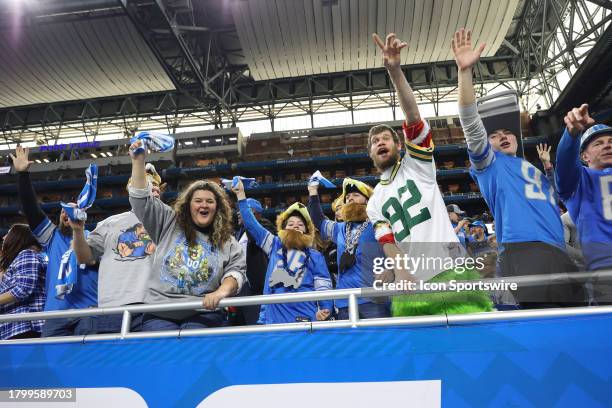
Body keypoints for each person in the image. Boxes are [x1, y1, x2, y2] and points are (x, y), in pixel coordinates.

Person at [453, 28, 583, 307]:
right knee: (547, 327)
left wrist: (549, 167)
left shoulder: (531, 168)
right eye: (495, 134)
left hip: (558, 249)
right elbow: (471, 125)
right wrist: (465, 73)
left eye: (508, 132)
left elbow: (560, 194)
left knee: (577, 321)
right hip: (524, 248)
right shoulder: (491, 164)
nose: (503, 136)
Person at [366, 32, 493, 316]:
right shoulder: (374, 201)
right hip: (412, 285)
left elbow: (413, 119)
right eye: (375, 142)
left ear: (400, 145)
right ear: (371, 155)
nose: (380, 142)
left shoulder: (417, 165)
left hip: (451, 271)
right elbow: (389, 244)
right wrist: (400, 272)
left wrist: (395, 71)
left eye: (386, 138)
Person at [128, 140, 245, 331]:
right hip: (159, 311)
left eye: (209, 201)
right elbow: (140, 198)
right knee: (161, 353)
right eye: (198, 200)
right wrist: (138, 161)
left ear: (218, 208)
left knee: (193, 351)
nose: (203, 205)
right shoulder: (168, 222)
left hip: (204, 312)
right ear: (188, 205)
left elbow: (236, 273)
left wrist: (221, 292)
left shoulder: (228, 242)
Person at [10, 146, 98, 337]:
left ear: (82, 216)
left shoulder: (95, 237)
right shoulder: (52, 238)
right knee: (51, 362)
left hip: (89, 312)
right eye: (63, 211)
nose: (66, 214)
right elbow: (32, 210)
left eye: (72, 210)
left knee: (86, 363)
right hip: (55, 315)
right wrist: (23, 175)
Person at [70, 164, 164, 333]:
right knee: (115, 358)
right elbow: (85, 257)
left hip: (157, 305)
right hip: (114, 305)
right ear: (132, 189)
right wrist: (77, 230)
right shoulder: (109, 223)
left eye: (156, 185)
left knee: (153, 358)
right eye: (148, 183)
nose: (154, 188)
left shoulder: (171, 220)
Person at [233, 178, 333, 324]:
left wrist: (325, 310)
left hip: (306, 314)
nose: (295, 226)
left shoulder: (315, 256)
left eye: (300, 224)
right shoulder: (274, 244)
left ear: (307, 230)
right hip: (274, 314)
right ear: (283, 228)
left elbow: (323, 287)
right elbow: (251, 224)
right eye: (290, 224)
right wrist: (241, 195)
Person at [308, 177, 389, 320]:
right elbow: (318, 219)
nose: (350, 198)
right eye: (348, 197)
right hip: (345, 300)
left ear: (368, 201)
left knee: (379, 340)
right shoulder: (339, 229)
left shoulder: (379, 224)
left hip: (373, 298)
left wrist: (391, 269)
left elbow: (399, 248)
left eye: (356, 195)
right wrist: (313, 191)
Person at [556, 105, 612, 301]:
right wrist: (571, 134)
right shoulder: (579, 181)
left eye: (611, 141)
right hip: (606, 271)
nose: (607, 145)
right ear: (584, 156)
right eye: (598, 143)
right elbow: (564, 167)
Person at [232, 197, 275, 325]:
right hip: (243, 285)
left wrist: (249, 221)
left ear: (257, 214)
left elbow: (256, 237)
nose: (239, 213)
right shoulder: (240, 231)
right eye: (238, 210)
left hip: (258, 287)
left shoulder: (265, 226)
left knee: (255, 323)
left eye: (244, 210)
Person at [0, 224, 47, 340]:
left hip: (27, 327)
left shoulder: (26, 254)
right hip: (14, 328)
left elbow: (23, 288)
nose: (4, 237)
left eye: (9, 233)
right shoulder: (16, 261)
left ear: (19, 237)